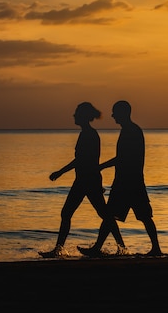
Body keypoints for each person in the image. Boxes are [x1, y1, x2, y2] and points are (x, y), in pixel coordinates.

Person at [39, 102, 124, 258]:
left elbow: (80, 160)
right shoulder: (87, 134)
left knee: (99, 214)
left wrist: (60, 172)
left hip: (88, 181)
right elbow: (80, 159)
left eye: (76, 113)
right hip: (84, 180)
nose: (74, 116)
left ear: (83, 116)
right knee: (76, 213)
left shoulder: (89, 135)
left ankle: (122, 247)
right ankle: (58, 249)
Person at [78, 100, 162, 257]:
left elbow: (122, 158)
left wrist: (100, 167)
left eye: (115, 112)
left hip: (129, 182)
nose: (112, 115)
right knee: (116, 215)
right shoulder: (130, 130)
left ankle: (155, 248)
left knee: (141, 216)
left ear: (123, 113)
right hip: (128, 181)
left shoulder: (131, 131)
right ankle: (99, 247)